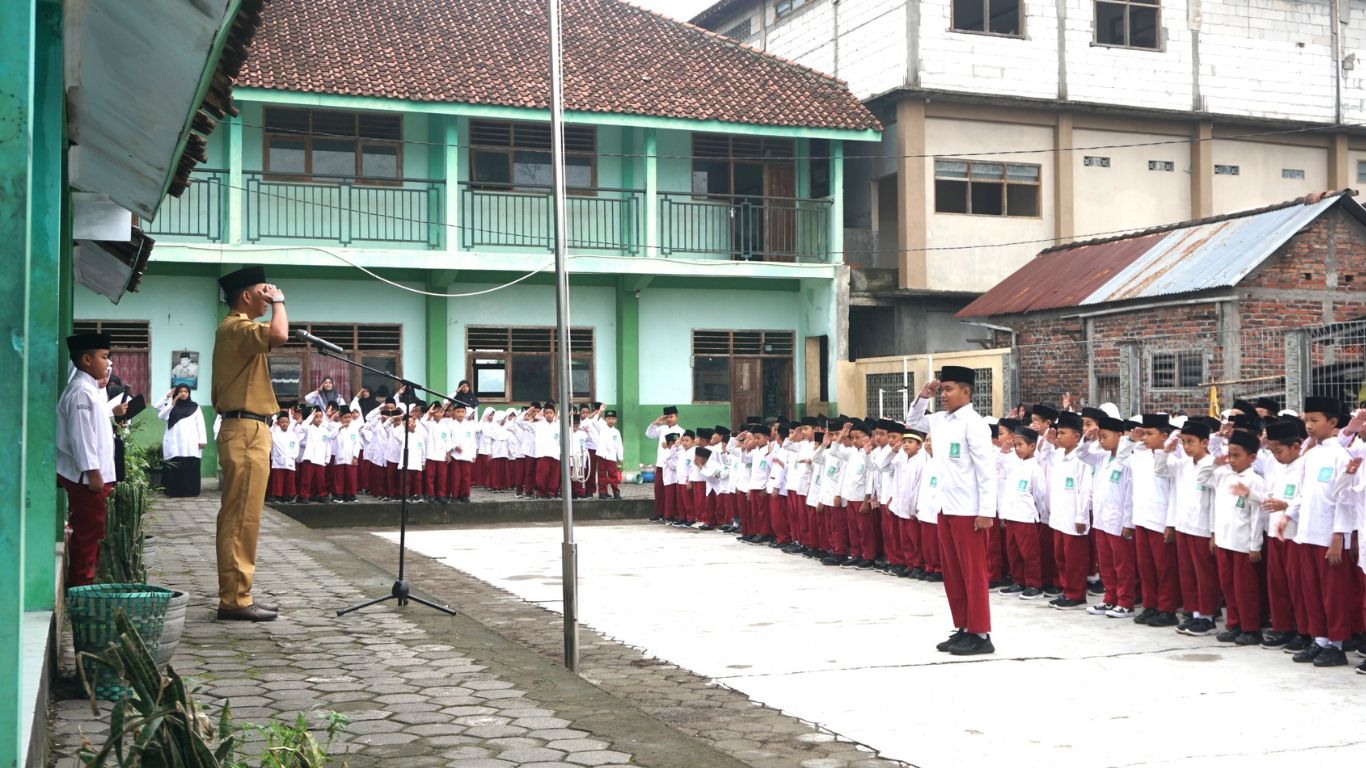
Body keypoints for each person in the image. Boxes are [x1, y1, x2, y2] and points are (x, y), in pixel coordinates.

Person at [211, 265, 288, 622]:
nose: (268, 295)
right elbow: (280, 334)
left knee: (247, 517)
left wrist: (272, 301)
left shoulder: (241, 330)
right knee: (240, 517)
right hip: (244, 430)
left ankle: (240, 594)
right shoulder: (235, 327)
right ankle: (234, 599)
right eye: (262, 291)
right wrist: (280, 302)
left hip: (250, 428)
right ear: (245, 296)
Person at [907, 367, 998, 656]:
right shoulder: (941, 420)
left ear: (966, 391)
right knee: (954, 574)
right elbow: (912, 421)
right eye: (942, 390)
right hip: (946, 507)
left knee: (973, 573)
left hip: (969, 511)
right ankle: (964, 626)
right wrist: (924, 396)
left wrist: (986, 511)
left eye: (949, 389)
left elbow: (986, 470)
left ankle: (980, 634)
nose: (943, 395)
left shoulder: (974, 423)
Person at [57, 332, 117, 588]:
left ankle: (85, 584)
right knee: (88, 535)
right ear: (86, 359)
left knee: (93, 533)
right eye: (104, 357)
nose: (108, 363)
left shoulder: (91, 388)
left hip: (95, 475)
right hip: (88, 478)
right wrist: (93, 473)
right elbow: (82, 437)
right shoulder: (81, 392)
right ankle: (81, 587)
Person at [1212, 429, 1269, 646]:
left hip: (1243, 544)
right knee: (1228, 586)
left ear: (1252, 457)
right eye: (1230, 455)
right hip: (1225, 540)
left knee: (1245, 589)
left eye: (1237, 455)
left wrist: (1255, 545)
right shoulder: (1225, 476)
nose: (1232, 460)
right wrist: (1216, 463)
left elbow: (1258, 515)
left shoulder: (1255, 481)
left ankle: (1250, 628)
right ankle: (1234, 624)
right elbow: (1202, 477)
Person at [1044, 411, 1093, 609]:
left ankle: (1077, 595)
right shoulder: (1058, 455)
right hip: (1059, 516)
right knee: (1061, 557)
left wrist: (1081, 516)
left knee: (1075, 560)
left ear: (1076, 436)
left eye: (1063, 433)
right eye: (1058, 433)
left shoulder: (1081, 459)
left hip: (1074, 518)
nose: (1059, 437)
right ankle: (1066, 591)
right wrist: (1048, 443)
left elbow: (1085, 490)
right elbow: (1041, 460)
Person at [999, 425, 1047, 599]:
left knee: (1029, 554)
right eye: (1015, 445)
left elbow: (1040, 496)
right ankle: (1018, 581)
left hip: (1026, 518)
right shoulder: (1015, 465)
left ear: (1032, 446)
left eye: (1020, 445)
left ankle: (1034, 585)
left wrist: (1039, 515)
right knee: (1014, 553)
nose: (1017, 449)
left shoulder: (1035, 469)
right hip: (1011, 516)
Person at [155, 384, 207, 497]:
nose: (183, 394)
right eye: (181, 391)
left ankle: (191, 491)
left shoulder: (195, 407)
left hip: (190, 442)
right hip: (174, 441)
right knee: (175, 465)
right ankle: (173, 491)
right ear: (177, 393)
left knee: (190, 466)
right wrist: (168, 398)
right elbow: (160, 414)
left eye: (186, 391)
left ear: (189, 393)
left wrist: (202, 440)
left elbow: (200, 424)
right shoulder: (171, 406)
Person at [646, 406, 684, 519]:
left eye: (671, 417)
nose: (669, 419)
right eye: (667, 417)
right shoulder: (662, 429)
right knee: (659, 489)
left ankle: (671, 514)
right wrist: (655, 423)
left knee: (671, 492)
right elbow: (649, 434)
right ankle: (659, 513)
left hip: (673, 466)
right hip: (661, 464)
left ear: (677, 417)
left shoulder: (681, 431)